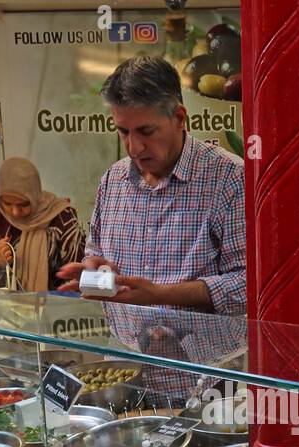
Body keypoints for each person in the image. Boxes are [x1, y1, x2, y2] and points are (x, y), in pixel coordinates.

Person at [56, 55, 246, 401]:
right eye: (123, 131)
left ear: (178, 117)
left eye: (146, 131)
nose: (134, 146)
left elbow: (249, 284)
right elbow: (95, 251)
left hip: (210, 384)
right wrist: (95, 270)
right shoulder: (113, 181)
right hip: (128, 371)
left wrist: (159, 295)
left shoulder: (229, 179)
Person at [0, 157, 84, 292]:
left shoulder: (60, 218)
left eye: (23, 204)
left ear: (35, 195)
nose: (15, 212)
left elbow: (77, 277)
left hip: (50, 308)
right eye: (7, 204)